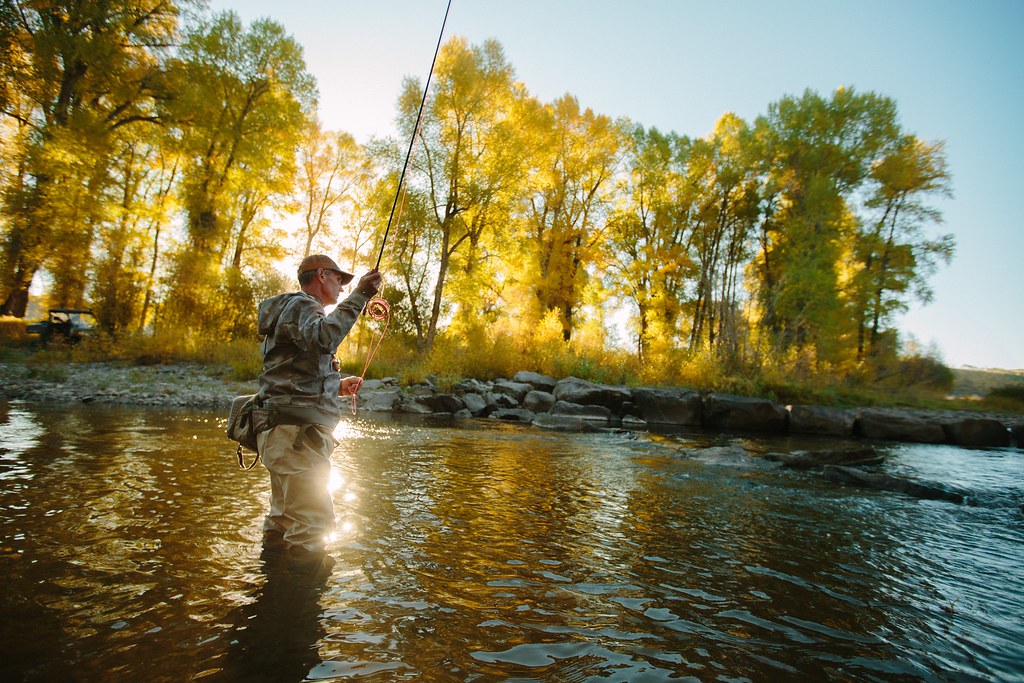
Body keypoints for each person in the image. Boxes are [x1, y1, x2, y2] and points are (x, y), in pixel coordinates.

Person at [255, 254, 383, 558]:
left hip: (286, 432)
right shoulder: (303, 305)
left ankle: (273, 590)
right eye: (339, 280)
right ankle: (300, 600)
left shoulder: (294, 311)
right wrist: (362, 294)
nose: (341, 288)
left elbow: (293, 374)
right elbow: (324, 338)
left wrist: (337, 385)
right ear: (322, 275)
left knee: (284, 518)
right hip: (296, 435)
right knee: (313, 524)